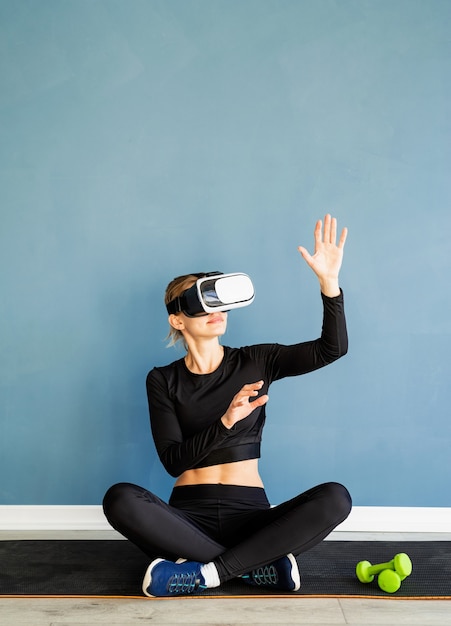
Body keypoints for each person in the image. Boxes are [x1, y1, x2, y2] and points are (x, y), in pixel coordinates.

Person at [103, 214, 352, 597]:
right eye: (200, 303)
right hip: (185, 519)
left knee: (336, 497)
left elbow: (331, 349)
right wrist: (226, 421)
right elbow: (173, 461)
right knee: (119, 497)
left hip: (251, 516)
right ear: (178, 319)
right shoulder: (162, 380)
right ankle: (253, 568)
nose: (215, 309)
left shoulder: (257, 360)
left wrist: (329, 284)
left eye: (218, 300)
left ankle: (205, 575)